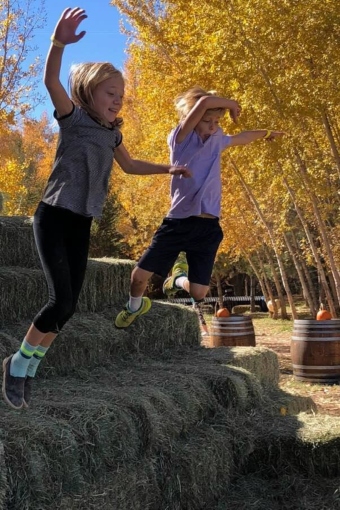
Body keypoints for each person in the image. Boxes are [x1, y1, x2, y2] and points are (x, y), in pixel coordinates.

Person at [1, 7, 190, 411]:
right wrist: (57, 44)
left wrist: (168, 167)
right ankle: (17, 365)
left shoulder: (113, 133)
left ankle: (29, 368)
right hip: (53, 215)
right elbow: (51, 80)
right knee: (61, 302)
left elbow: (131, 164)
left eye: (121, 95)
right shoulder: (73, 118)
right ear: (88, 92)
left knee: (68, 309)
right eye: (110, 93)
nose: (117, 99)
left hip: (81, 222)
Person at [115, 86, 285, 331]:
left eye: (216, 121)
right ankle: (133, 306)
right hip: (178, 222)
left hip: (207, 226)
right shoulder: (180, 139)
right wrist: (231, 102)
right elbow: (204, 102)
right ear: (190, 118)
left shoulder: (217, 141)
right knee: (138, 278)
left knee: (199, 292)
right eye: (207, 121)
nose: (213, 126)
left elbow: (242, 137)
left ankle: (177, 279)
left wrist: (266, 133)